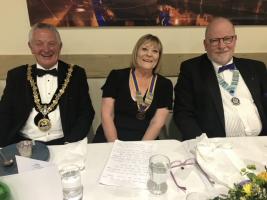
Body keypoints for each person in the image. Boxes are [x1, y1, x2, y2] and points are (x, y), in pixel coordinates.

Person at [0, 23, 95, 147]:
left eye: (51, 43)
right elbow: (4, 113)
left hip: (65, 142)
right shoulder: (16, 76)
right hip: (24, 144)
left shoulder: (76, 74)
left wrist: (71, 141)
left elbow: (86, 112)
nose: (46, 49)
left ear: (60, 46)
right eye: (39, 44)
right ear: (31, 47)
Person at [173, 17, 267, 140]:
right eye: (214, 41)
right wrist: (204, 145)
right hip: (215, 147)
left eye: (227, 39)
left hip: (261, 143)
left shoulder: (256, 67)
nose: (222, 46)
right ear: (205, 44)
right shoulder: (191, 69)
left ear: (235, 40)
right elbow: (183, 114)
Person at [93, 34, 173, 142]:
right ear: (136, 53)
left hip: (145, 139)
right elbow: (107, 114)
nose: (149, 54)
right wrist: (115, 145)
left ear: (159, 56)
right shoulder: (116, 76)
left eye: (155, 51)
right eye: (144, 49)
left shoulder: (165, 85)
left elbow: (157, 122)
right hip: (110, 138)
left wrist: (140, 149)